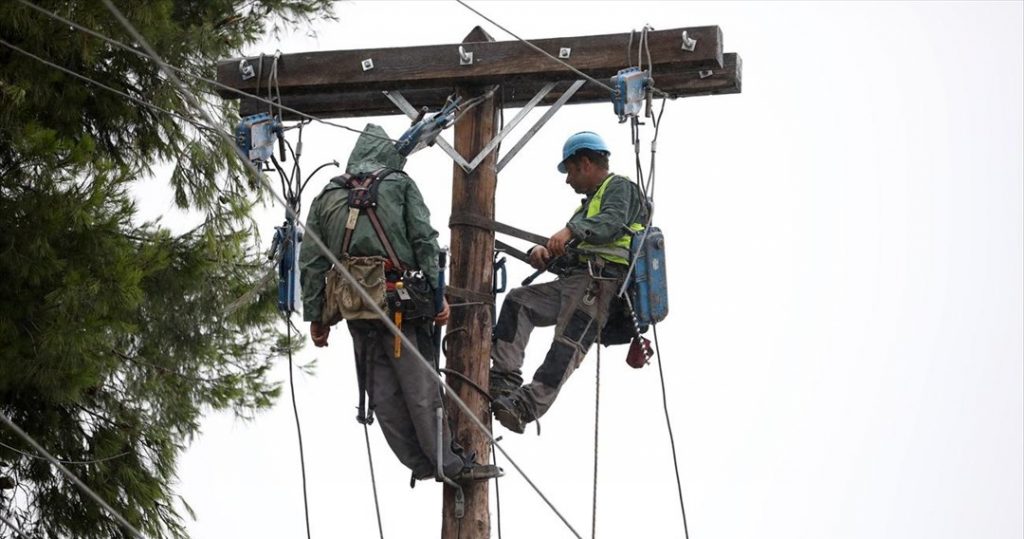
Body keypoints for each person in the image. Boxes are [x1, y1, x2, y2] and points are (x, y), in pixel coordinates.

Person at [299, 123, 500, 483]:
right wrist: (438, 297)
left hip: (356, 309)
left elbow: (312, 261)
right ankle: (449, 465)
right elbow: (424, 239)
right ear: (387, 153)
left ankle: (419, 463)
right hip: (399, 305)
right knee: (420, 387)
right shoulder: (399, 184)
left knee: (380, 392)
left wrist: (317, 317)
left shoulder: (327, 196)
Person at [490, 131, 648, 433]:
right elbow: (582, 246)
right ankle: (504, 378)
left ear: (585, 163)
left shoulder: (620, 188)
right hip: (576, 279)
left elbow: (610, 224)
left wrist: (569, 232)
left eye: (570, 172)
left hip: (599, 285)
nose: (568, 181)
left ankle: (526, 406)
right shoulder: (586, 206)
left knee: (566, 347)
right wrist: (547, 254)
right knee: (519, 300)